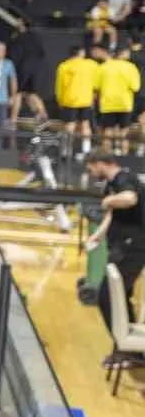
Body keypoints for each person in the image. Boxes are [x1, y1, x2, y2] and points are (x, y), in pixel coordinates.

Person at [85, 151, 145, 367]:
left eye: (91, 168)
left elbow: (130, 199)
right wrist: (97, 236)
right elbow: (111, 214)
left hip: (132, 248)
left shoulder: (125, 178)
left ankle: (127, 350)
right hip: (120, 247)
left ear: (101, 163)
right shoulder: (112, 184)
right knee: (120, 297)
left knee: (107, 297)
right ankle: (131, 351)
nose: (91, 173)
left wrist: (109, 199)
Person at [55, 43, 101, 156]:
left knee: (69, 126)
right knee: (85, 124)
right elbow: (97, 82)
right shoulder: (91, 65)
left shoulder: (63, 66)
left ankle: (66, 151)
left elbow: (59, 86)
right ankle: (86, 149)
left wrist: (60, 100)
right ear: (81, 53)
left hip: (69, 100)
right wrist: (95, 95)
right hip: (86, 99)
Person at [97, 44, 141, 154]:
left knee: (107, 129)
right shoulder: (130, 67)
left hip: (108, 103)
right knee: (124, 130)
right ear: (123, 54)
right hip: (124, 103)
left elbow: (97, 86)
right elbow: (135, 87)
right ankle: (124, 155)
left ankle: (106, 155)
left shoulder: (103, 67)